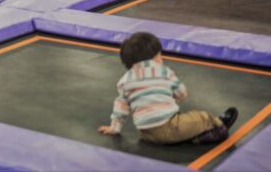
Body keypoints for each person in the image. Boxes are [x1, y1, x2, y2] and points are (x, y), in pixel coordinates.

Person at [98, 32, 237, 145]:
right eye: (160, 55)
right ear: (154, 58)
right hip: (169, 128)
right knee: (201, 117)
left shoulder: (124, 80)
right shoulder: (163, 71)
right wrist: (173, 96)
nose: (162, 59)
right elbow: (182, 93)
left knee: (182, 124)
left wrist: (114, 128)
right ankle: (219, 127)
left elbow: (120, 107)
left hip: (146, 134)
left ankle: (194, 136)